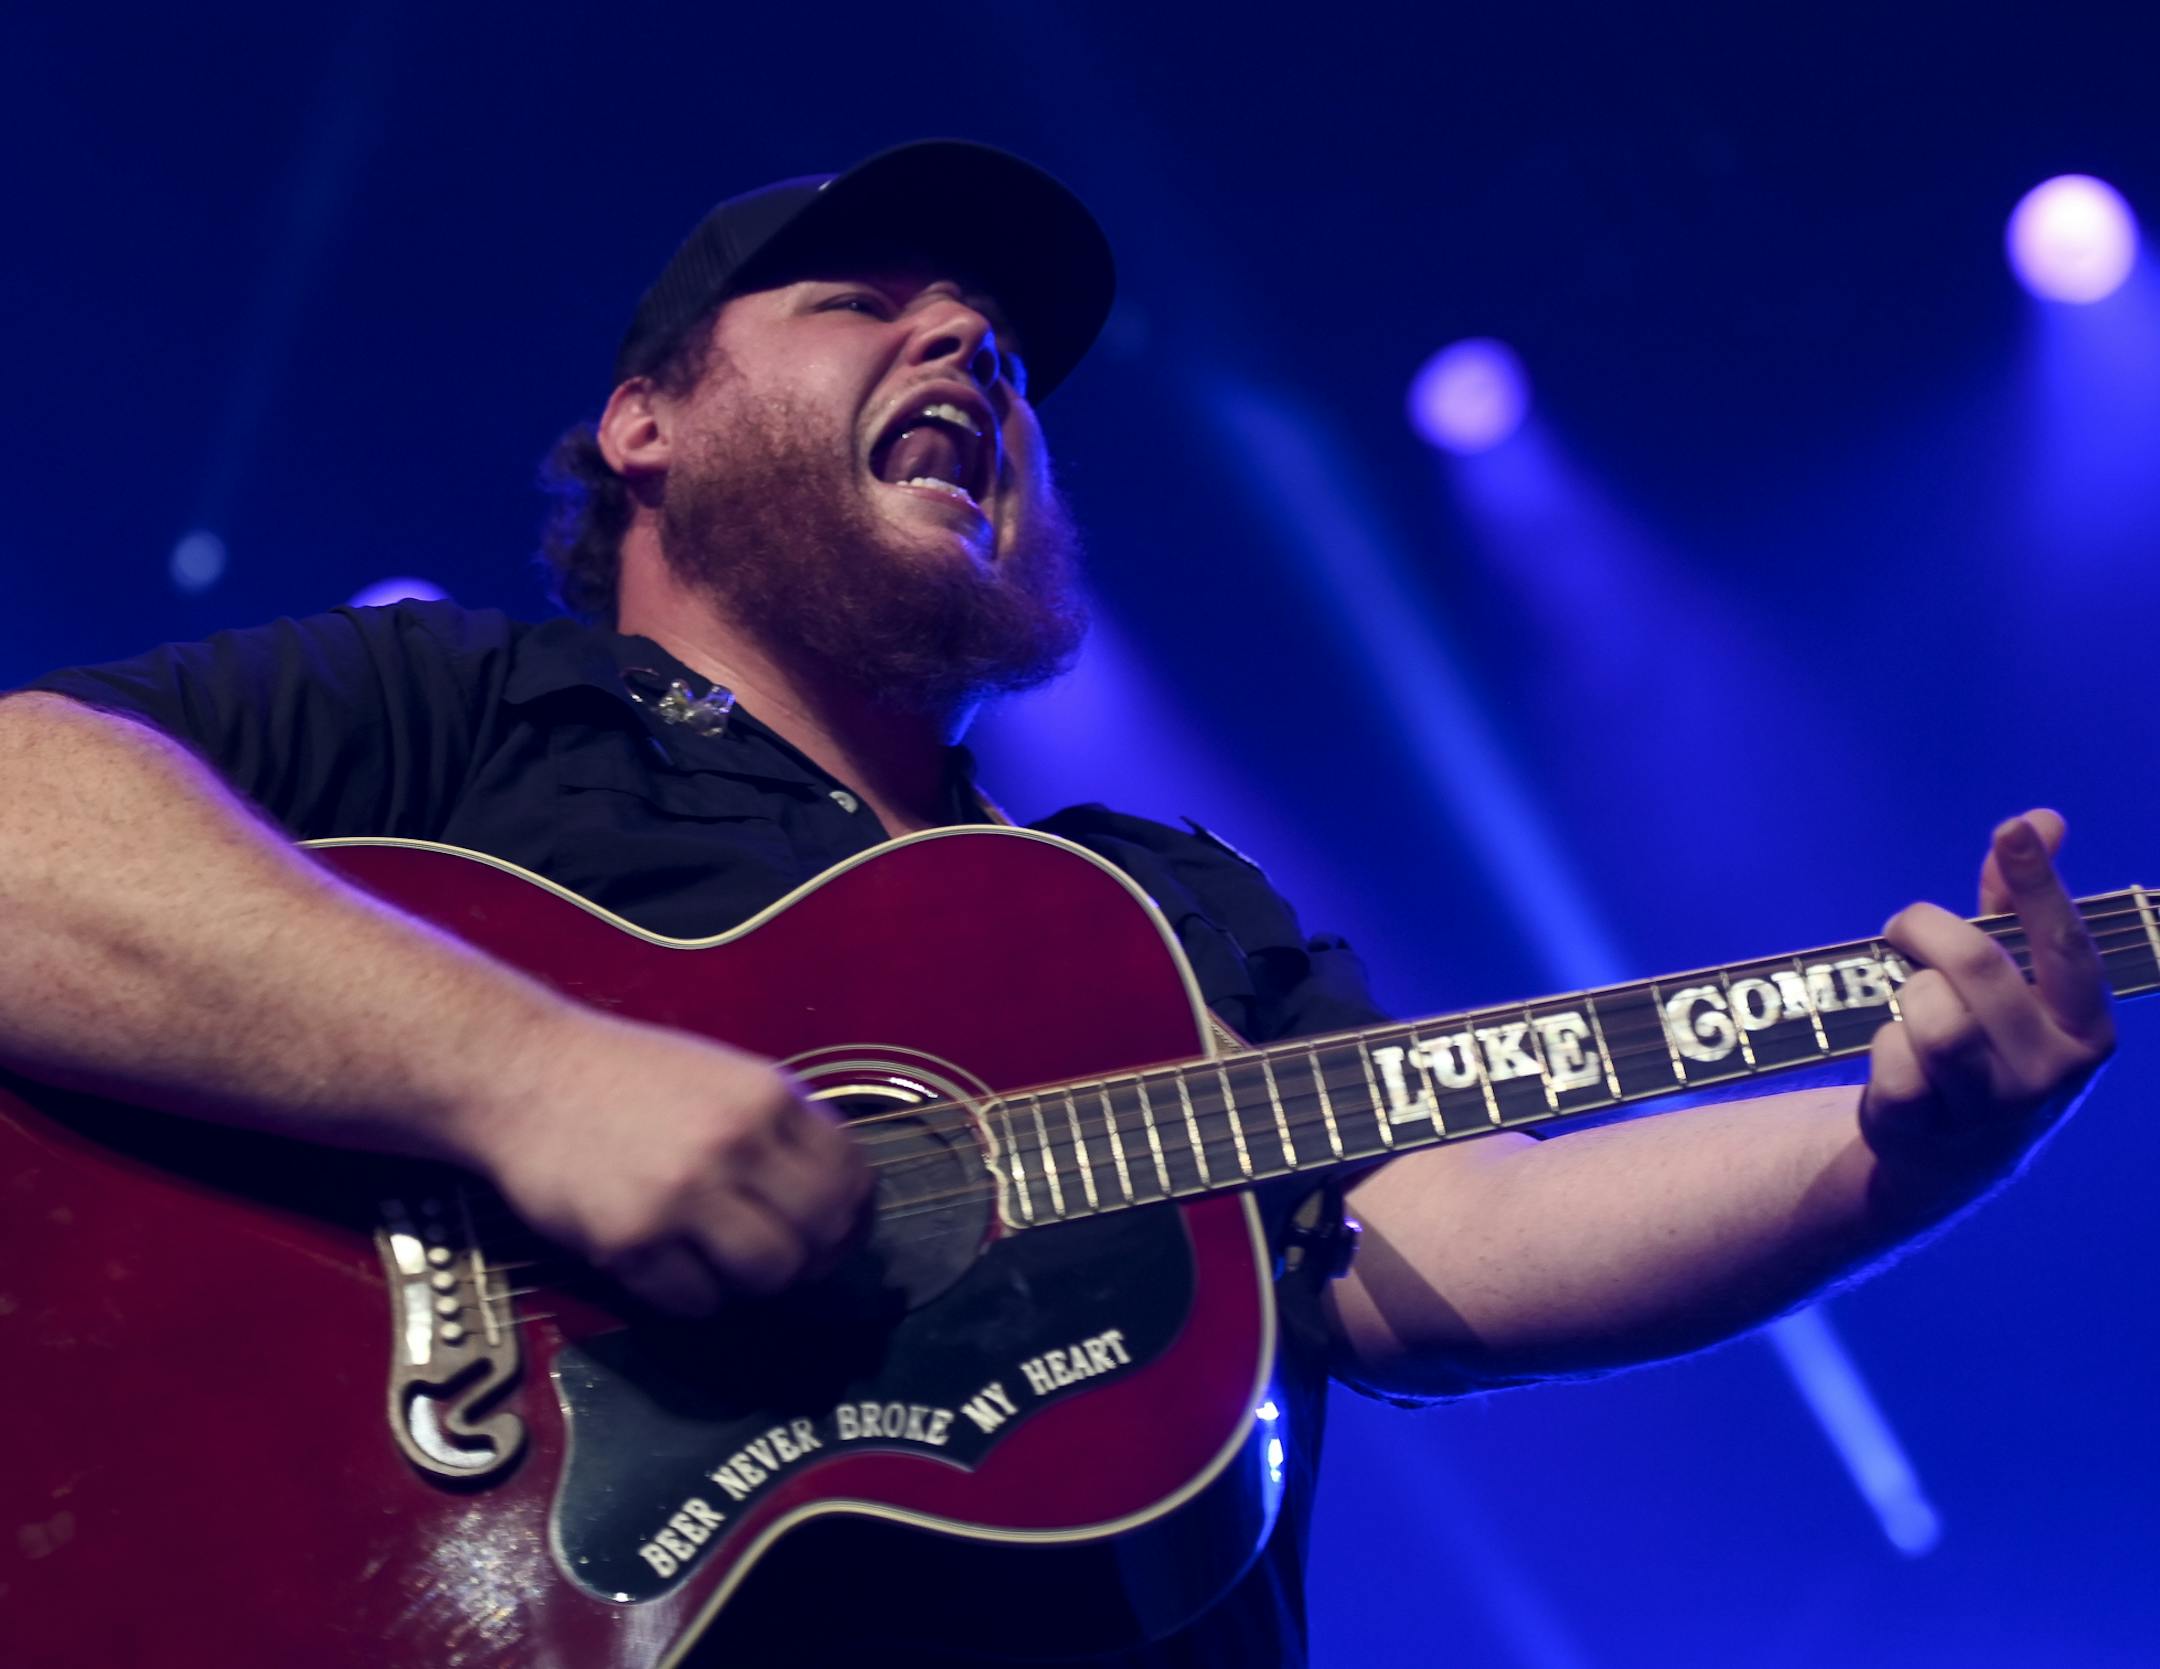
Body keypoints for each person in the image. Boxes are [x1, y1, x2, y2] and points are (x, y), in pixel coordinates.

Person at [0, 141, 2114, 1666]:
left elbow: (1450, 1237)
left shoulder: (1150, 909)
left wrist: (1893, 1157)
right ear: (643, 423)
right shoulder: (463, 716)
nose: (971, 343)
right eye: (864, 302)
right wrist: (527, 1075)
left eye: (1000, 346)